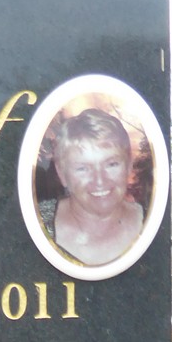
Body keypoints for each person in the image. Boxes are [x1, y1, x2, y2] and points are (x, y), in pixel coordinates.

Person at [38, 105, 144, 267]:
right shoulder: (37, 224)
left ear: (129, 166)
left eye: (111, 164)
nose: (99, 180)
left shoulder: (152, 223)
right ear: (62, 174)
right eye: (83, 168)